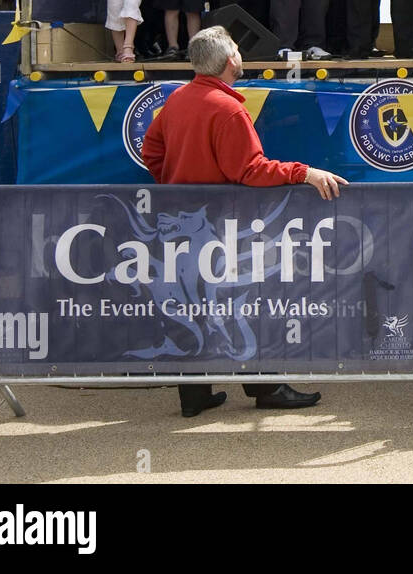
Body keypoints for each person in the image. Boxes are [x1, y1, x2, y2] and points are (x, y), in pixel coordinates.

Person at [141, 24, 346, 417]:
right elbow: (251, 170)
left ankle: (195, 395)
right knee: (248, 303)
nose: (240, 53)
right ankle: (265, 387)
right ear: (229, 60)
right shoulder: (229, 108)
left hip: (182, 225)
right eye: (236, 48)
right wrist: (305, 173)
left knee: (193, 304)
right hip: (222, 227)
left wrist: (175, 182)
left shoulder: (177, 101)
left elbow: (151, 151)